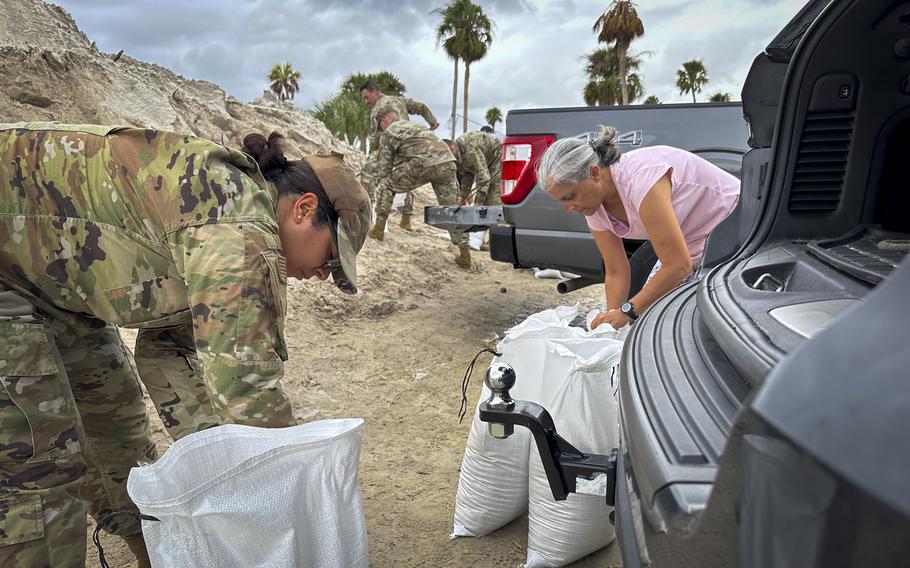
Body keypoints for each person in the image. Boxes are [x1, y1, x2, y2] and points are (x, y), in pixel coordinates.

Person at [0, 123, 371, 567]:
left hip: (53, 290)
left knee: (117, 428)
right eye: (330, 258)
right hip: (11, 278)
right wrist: (289, 507)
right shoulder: (238, 226)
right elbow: (247, 392)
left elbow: (168, 352)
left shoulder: (219, 226)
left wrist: (218, 469)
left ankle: (151, 555)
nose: (323, 275)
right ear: (304, 209)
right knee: (41, 467)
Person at [537, 126, 740, 330]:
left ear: (595, 173)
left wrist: (627, 311)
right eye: (561, 202)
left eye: (570, 196)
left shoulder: (641, 179)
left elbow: (677, 265)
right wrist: (610, 324)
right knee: (649, 322)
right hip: (694, 246)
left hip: (739, 229)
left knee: (694, 324)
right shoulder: (593, 205)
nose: (569, 208)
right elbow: (616, 271)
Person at [360, 111, 471, 269]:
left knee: (387, 184)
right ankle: (465, 254)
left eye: (380, 124)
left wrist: (383, 178)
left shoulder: (389, 132)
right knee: (451, 210)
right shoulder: (416, 127)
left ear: (385, 120)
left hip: (423, 164)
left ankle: (378, 229)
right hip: (447, 162)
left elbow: (385, 166)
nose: (381, 127)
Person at [361, 79, 439, 232]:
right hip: (408, 146)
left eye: (366, 97)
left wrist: (371, 157)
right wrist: (432, 121)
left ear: (375, 92)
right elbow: (421, 107)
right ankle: (406, 219)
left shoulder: (378, 108)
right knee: (405, 180)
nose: (365, 101)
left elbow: (374, 138)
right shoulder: (399, 100)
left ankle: (367, 211)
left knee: (368, 175)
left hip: (390, 145)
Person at [445, 130, 502, 206]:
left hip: (496, 157)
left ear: (452, 149)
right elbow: (468, 174)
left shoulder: (470, 150)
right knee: (484, 200)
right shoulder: (459, 153)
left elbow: (483, 177)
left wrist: (478, 203)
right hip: (486, 159)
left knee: (492, 199)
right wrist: (463, 197)